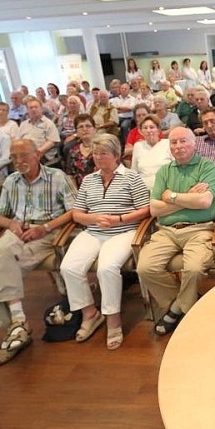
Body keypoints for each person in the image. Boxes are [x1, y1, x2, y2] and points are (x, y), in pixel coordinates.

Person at [0, 139, 76, 367]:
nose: (18, 161)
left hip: (48, 232)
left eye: (23, 155)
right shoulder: (11, 182)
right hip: (18, 231)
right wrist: (11, 224)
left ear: (37, 155)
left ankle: (16, 325)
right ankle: (18, 323)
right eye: (14, 157)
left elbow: (75, 211)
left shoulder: (56, 177)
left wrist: (44, 228)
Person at [60, 134, 150, 351]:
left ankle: (113, 319)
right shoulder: (89, 180)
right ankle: (90, 313)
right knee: (68, 267)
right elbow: (77, 213)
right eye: (95, 153)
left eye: (103, 153)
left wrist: (118, 218)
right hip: (93, 231)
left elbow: (145, 209)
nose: (98, 158)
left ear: (116, 155)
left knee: (106, 268)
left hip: (123, 231)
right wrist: (94, 219)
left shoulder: (131, 177)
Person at [136, 127, 215, 336]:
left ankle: (175, 310)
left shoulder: (207, 167)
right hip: (165, 231)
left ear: (194, 143)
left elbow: (204, 201)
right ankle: (186, 303)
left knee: (193, 268)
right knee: (144, 268)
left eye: (183, 141)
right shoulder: (164, 171)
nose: (178, 146)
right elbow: (155, 209)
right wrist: (186, 198)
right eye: (173, 142)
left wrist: (171, 196)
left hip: (199, 230)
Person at [131, 114, 171, 189]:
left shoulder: (167, 143)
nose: (148, 130)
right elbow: (134, 172)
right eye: (145, 128)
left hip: (166, 188)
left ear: (158, 130)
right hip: (143, 189)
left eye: (152, 127)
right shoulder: (138, 146)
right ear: (141, 131)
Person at [19, 97, 60, 165]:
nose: (33, 109)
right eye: (31, 108)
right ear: (27, 110)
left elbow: (52, 141)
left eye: (36, 107)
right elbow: (19, 140)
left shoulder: (48, 123)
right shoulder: (23, 124)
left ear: (41, 108)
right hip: (25, 154)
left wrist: (38, 152)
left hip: (42, 154)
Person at [63, 115, 97, 187]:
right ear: (77, 131)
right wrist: (76, 194)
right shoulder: (73, 151)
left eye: (88, 126)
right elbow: (70, 176)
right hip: (80, 192)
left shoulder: (103, 148)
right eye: (81, 127)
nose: (84, 129)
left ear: (94, 129)